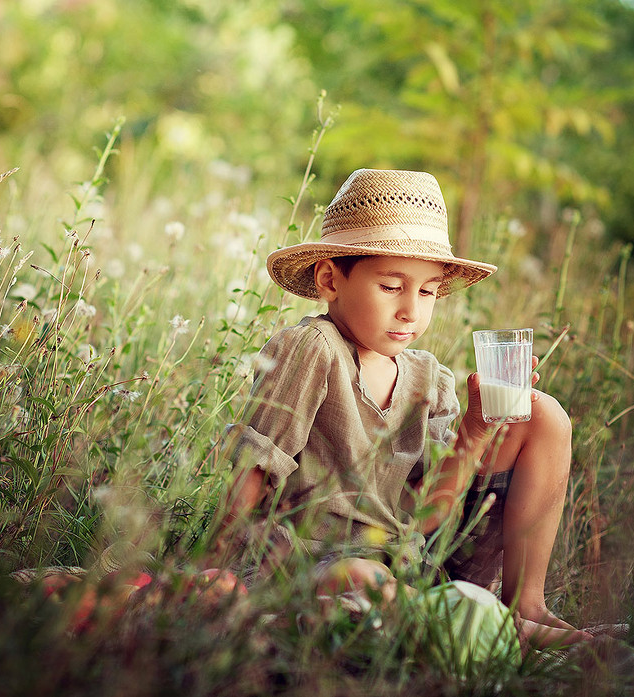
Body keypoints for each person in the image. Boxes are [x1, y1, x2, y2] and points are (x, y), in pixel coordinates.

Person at [216, 168, 589, 650]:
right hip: (313, 565)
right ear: (330, 279)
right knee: (360, 577)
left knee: (543, 413)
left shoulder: (427, 376)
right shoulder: (313, 348)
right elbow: (256, 465)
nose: (412, 309)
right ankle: (510, 636)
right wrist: (222, 568)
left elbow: (424, 515)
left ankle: (525, 608)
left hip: (408, 559)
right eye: (392, 286)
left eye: (428, 290)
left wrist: (472, 435)